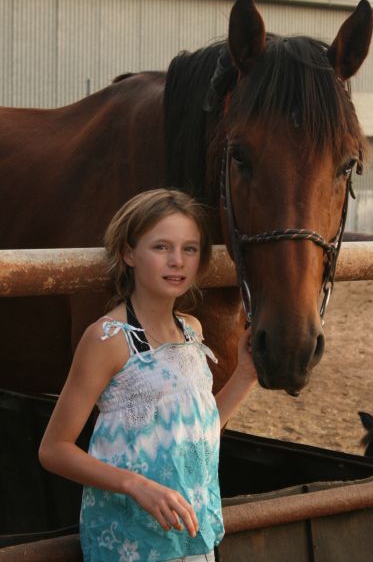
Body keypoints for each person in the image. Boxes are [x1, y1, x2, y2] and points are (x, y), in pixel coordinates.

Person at [39, 188, 257, 562]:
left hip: (190, 534)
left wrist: (245, 376)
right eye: (161, 247)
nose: (177, 261)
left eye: (190, 248)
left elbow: (197, 429)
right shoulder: (108, 338)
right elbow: (54, 449)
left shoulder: (192, 330)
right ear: (129, 254)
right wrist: (135, 485)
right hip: (131, 543)